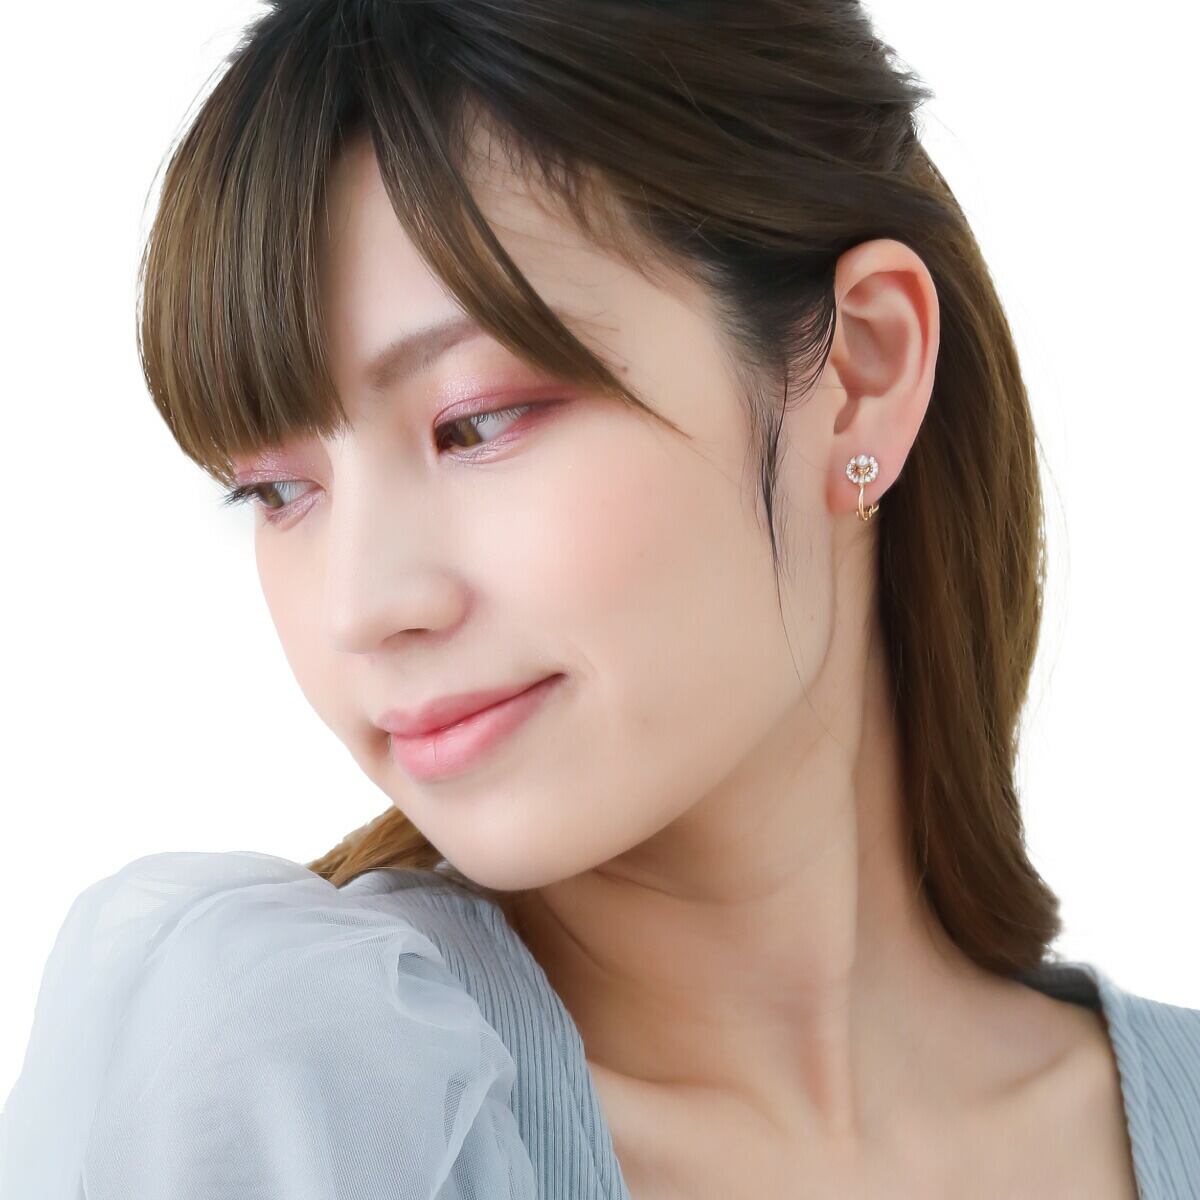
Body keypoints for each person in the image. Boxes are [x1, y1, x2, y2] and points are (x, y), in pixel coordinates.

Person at [2, 1, 1197, 1197]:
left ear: (859, 373)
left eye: (476, 422)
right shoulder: (305, 1095)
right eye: (275, 492)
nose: (358, 608)